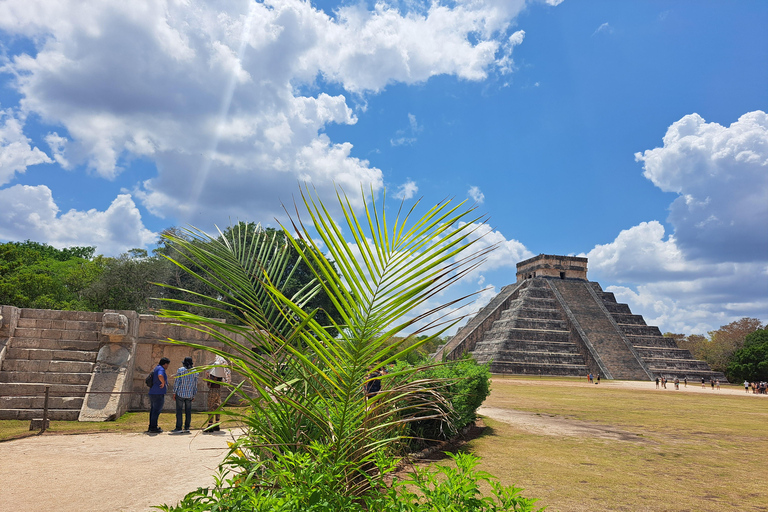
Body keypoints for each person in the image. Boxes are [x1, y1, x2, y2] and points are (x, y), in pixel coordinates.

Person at [204, 354, 231, 433]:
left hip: (212, 390)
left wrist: (207, 376)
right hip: (218, 390)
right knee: (217, 407)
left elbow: (209, 383)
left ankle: (210, 425)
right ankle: (217, 424)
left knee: (211, 407)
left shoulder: (213, 375)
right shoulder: (221, 375)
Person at [172, 357, 198, 433]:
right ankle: (187, 427)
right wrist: (194, 395)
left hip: (180, 393)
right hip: (189, 394)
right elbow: (195, 385)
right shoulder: (195, 372)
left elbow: (177, 382)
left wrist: (174, 392)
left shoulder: (180, 370)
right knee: (188, 412)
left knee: (179, 411)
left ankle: (179, 427)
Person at [147, 357, 170, 433]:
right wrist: (163, 382)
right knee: (156, 411)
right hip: (158, 393)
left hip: (153, 392)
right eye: (167, 365)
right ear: (165, 364)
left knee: (153, 410)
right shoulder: (161, 369)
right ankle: (154, 427)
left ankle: (151, 426)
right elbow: (160, 375)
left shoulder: (156, 367)